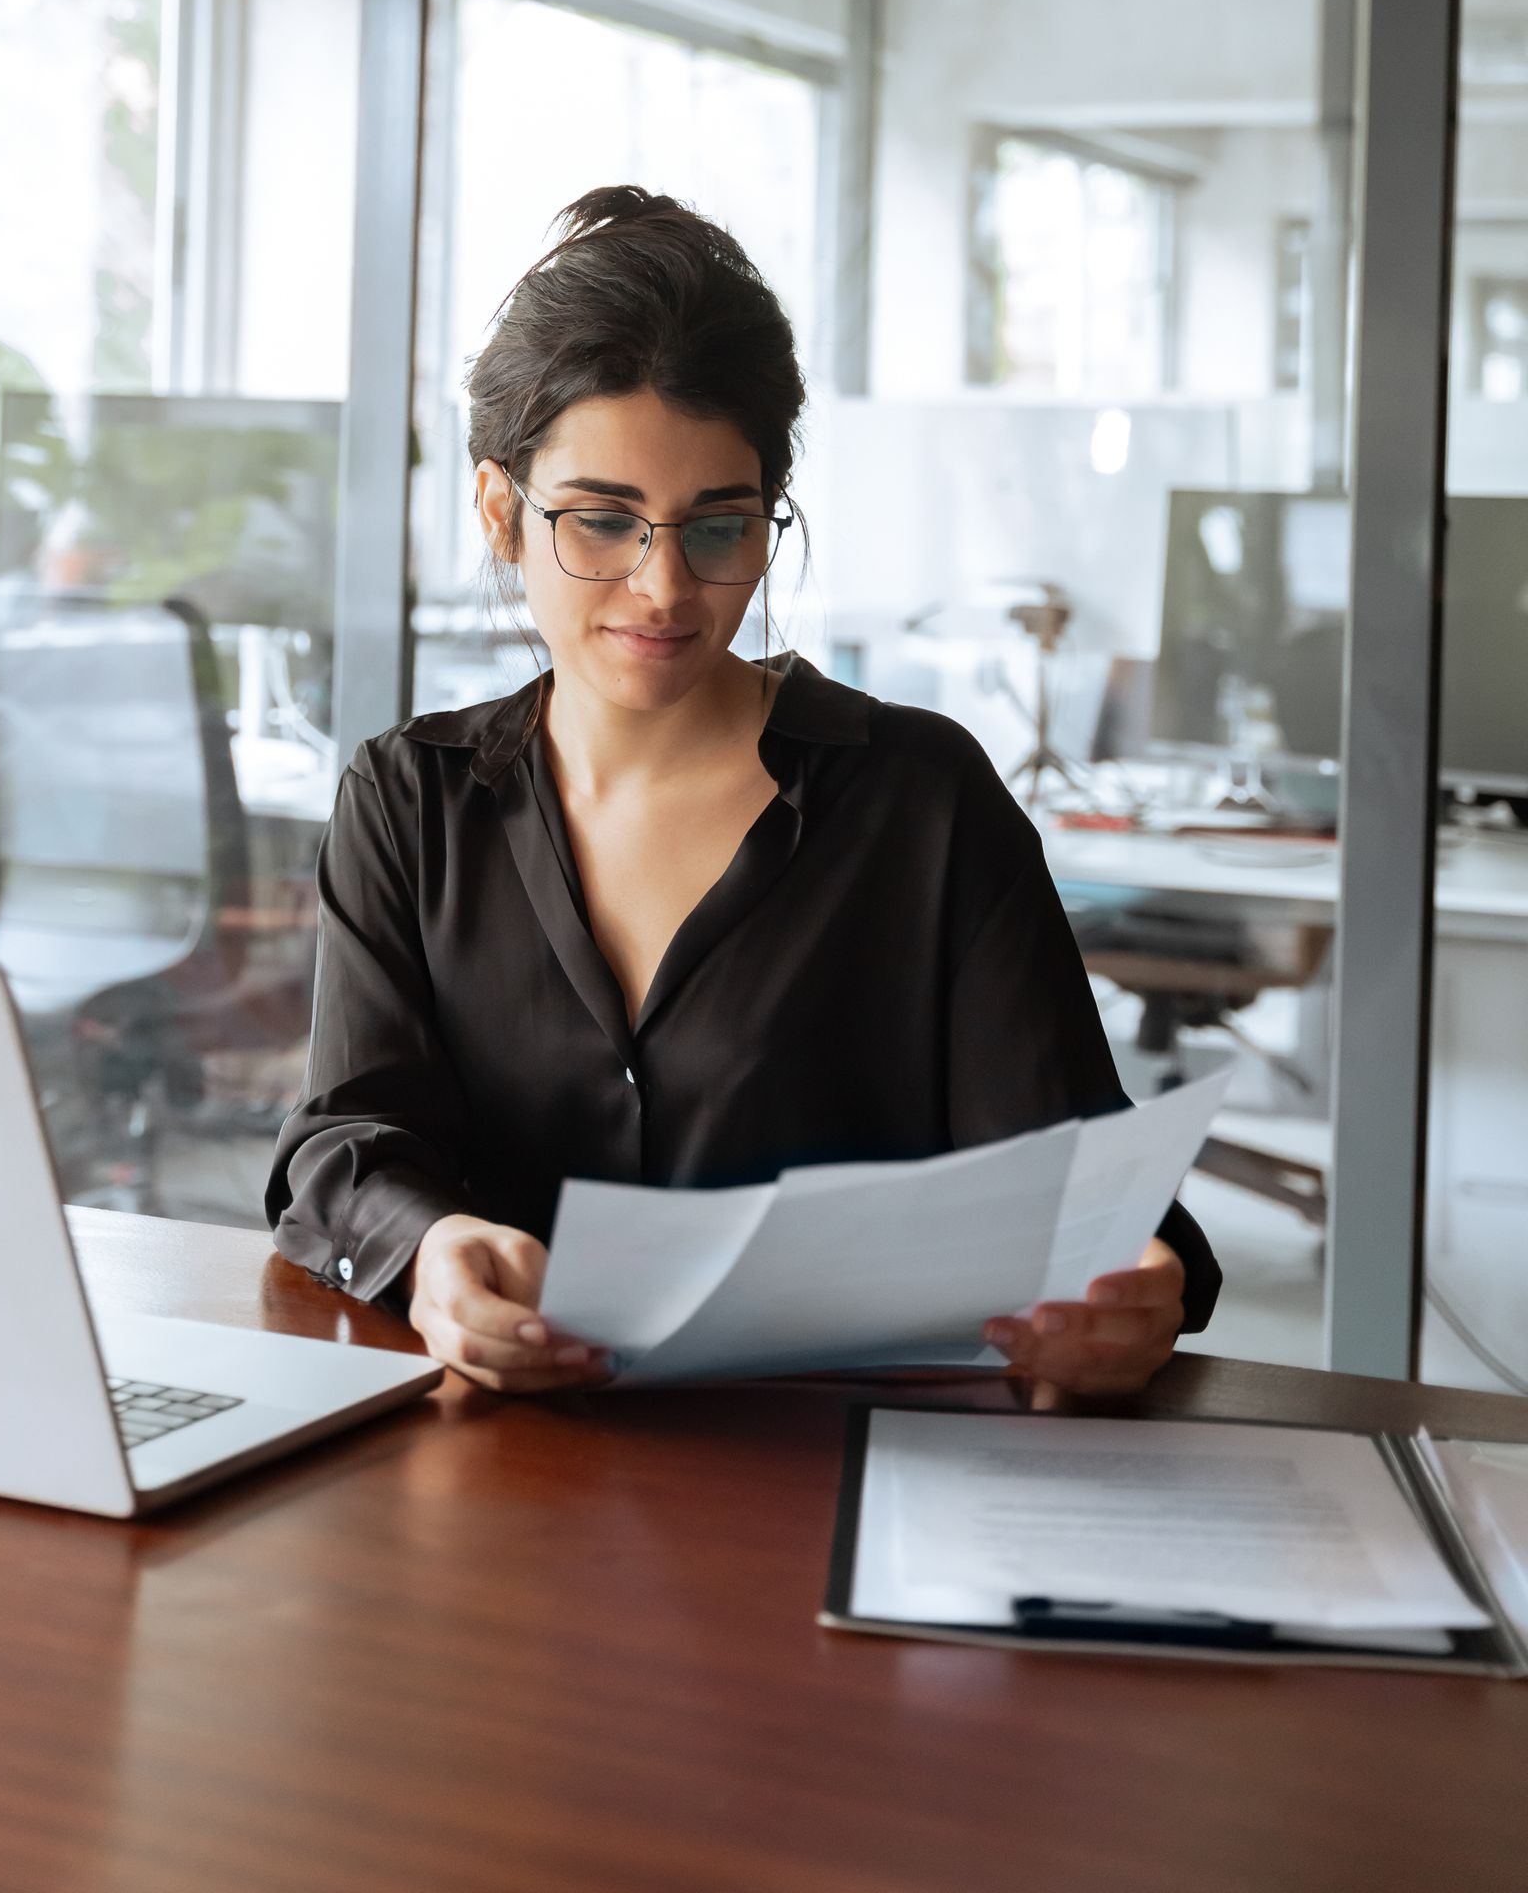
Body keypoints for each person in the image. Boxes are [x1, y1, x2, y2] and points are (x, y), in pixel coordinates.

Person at [269, 186, 1218, 1394]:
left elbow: (1077, 1177)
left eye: (718, 528)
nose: (665, 588)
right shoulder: (412, 801)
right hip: (506, 1469)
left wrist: (1137, 1280)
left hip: (841, 1467)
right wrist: (434, 1246)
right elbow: (346, 1139)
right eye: (604, 525)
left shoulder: (921, 801)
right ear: (501, 510)